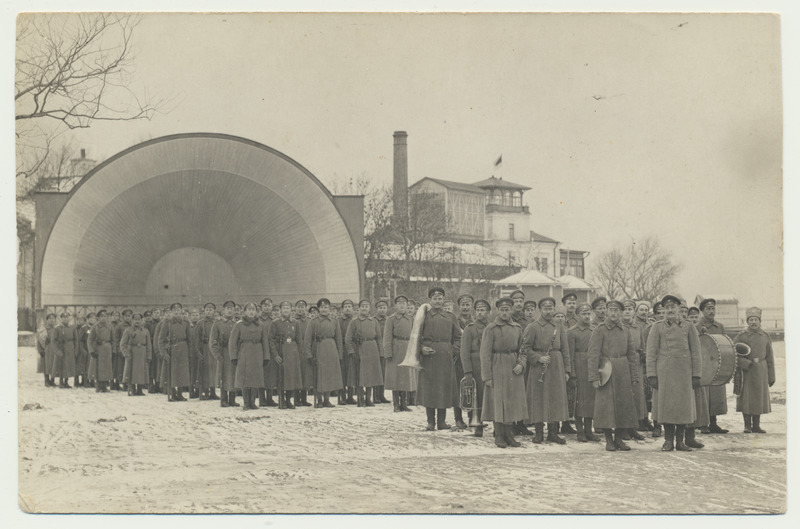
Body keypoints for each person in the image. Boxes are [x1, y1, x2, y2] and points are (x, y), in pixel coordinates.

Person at [646, 295, 702, 451]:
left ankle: (680, 441)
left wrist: (696, 374)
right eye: (667, 308)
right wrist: (651, 375)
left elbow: (696, 353)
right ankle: (668, 440)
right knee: (667, 407)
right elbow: (651, 353)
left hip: (685, 372)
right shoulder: (657, 327)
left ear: (679, 308)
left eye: (673, 307)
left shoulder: (689, 327)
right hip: (664, 373)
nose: (670, 310)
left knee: (683, 408)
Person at [588, 300, 640, 451]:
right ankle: (608, 440)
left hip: (623, 370)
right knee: (606, 407)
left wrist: (634, 375)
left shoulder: (626, 330)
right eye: (610, 310)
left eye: (616, 310)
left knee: (623, 406)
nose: (613, 313)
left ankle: (619, 439)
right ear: (606, 312)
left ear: (621, 313)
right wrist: (594, 377)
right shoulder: (600, 330)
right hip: (606, 370)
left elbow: (631, 354)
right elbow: (593, 354)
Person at [520, 296, 572, 444]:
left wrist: (567, 370)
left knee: (555, 398)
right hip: (539, 367)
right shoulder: (533, 327)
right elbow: (524, 349)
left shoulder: (559, 326)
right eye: (545, 309)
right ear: (540, 310)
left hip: (556, 365)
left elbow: (565, 350)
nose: (548, 312)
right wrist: (537, 358)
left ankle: (553, 433)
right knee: (539, 398)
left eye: (550, 308)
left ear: (554, 309)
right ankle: (538, 433)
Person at [480, 297, 528, 448]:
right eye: (502, 310)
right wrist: (487, 376)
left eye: (507, 310)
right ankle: (499, 435)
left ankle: (509, 435)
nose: (505, 313)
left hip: (513, 368)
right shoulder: (491, 328)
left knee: (512, 401)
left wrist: (521, 363)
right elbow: (485, 354)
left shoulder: (517, 328)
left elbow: (523, 350)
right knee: (498, 401)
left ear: (512, 310)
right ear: (498, 311)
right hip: (497, 366)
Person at [417, 287, 461, 431]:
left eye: (440, 298)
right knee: (430, 388)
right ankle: (431, 422)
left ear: (443, 300)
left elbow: (458, 337)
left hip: (445, 356)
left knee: (443, 388)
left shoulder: (450, 317)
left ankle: (441, 422)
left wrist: (453, 350)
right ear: (430, 300)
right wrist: (422, 348)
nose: (437, 301)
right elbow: (415, 337)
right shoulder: (424, 316)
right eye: (434, 298)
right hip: (429, 356)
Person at [733, 307, 776, 434]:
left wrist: (771, 376)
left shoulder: (765, 336)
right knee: (746, 397)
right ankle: (747, 425)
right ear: (747, 321)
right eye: (751, 319)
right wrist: (744, 363)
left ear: (759, 321)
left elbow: (770, 357)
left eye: (756, 319)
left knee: (758, 397)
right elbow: (733, 352)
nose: (753, 322)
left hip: (761, 371)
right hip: (747, 371)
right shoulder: (741, 336)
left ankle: (756, 425)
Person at [695, 298, 729, 434]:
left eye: (713, 308)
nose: (711, 311)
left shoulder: (719, 326)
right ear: (702, 311)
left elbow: (726, 343)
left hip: (716, 363)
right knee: (704, 394)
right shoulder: (697, 326)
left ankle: (713, 423)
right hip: (704, 364)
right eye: (708, 309)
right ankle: (703, 424)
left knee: (715, 394)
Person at [568, 304, 601, 442]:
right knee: (579, 401)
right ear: (577, 315)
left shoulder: (595, 330)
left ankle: (589, 430)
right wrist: (572, 374)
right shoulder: (572, 332)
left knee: (591, 400)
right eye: (583, 314)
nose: (587, 316)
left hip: (592, 367)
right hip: (579, 366)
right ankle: (580, 431)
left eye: (588, 313)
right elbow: (569, 355)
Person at [228, 302, 270, 410]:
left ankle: (252, 402)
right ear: (245, 312)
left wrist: (266, 357)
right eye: (249, 310)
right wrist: (233, 357)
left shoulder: (260, 325)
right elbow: (232, 342)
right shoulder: (239, 324)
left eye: (253, 309)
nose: (251, 312)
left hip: (257, 353)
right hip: (244, 353)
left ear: (256, 312)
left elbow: (265, 342)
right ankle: (246, 402)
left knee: (256, 378)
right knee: (245, 379)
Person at [304, 298, 344, 408]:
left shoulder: (334, 321)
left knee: (329, 375)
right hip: (318, 348)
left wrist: (339, 354)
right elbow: (307, 340)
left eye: (326, 307)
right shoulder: (313, 321)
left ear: (329, 308)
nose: (324, 309)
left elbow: (339, 339)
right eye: (321, 307)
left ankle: (327, 399)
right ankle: (319, 399)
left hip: (331, 349)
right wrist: (309, 355)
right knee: (319, 375)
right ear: (319, 309)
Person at [460, 298, 491, 437]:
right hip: (475, 365)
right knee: (475, 395)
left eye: (482, 310)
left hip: (489, 365)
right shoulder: (469, 329)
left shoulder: (492, 327)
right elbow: (464, 352)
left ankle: (496, 425)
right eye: (477, 310)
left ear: (488, 312)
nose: (480, 313)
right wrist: (468, 371)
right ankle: (477, 426)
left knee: (490, 395)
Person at [345, 299, 384, 407]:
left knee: (371, 374)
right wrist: (352, 352)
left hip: (372, 349)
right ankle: (360, 398)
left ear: (369, 308)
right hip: (359, 349)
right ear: (359, 308)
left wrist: (381, 352)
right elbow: (348, 339)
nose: (364, 308)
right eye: (362, 306)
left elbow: (379, 338)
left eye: (366, 306)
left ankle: (368, 398)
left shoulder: (374, 321)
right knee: (360, 375)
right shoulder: (354, 321)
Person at [269, 301, 305, 409]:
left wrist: (299, 353)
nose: (286, 310)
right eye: (283, 308)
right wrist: (275, 354)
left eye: (288, 308)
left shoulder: (295, 323)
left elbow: (299, 340)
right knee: (282, 377)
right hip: (281, 351)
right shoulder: (275, 323)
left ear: (291, 310)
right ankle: (282, 399)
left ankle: (289, 399)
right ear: (280, 310)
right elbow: (270, 340)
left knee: (291, 377)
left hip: (293, 352)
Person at [620, 299, 647, 441]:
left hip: (636, 363)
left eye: (630, 309)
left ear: (634, 312)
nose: (627, 311)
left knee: (637, 395)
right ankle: (623, 428)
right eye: (624, 309)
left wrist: (643, 354)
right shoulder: (619, 327)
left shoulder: (638, 328)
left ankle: (633, 428)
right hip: (623, 363)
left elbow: (642, 344)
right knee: (625, 396)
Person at [383, 295, 415, 412]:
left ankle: (404, 404)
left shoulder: (410, 318)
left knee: (405, 376)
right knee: (395, 377)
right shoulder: (391, 319)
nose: (402, 305)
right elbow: (387, 337)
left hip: (407, 348)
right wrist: (388, 352)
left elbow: (414, 335)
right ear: (395, 305)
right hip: (396, 348)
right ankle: (396, 404)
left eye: (404, 303)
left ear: (407, 305)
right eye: (399, 303)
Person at [158, 302, 192, 402]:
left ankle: (180, 394)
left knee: (182, 372)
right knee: (172, 373)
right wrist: (164, 353)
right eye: (174, 310)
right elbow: (161, 340)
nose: (176, 312)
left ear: (181, 311)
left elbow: (189, 339)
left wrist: (189, 352)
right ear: (171, 312)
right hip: (172, 350)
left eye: (178, 310)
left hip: (183, 349)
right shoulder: (167, 324)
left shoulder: (186, 323)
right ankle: (172, 393)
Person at [210, 301, 239, 407]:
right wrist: (217, 355)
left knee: (233, 375)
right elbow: (212, 341)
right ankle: (223, 399)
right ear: (223, 310)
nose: (230, 310)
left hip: (235, 353)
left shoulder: (238, 323)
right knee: (224, 376)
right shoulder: (218, 323)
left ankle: (232, 399)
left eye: (232, 308)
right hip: (224, 352)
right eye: (228, 308)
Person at [634, 301, 656, 433]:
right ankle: (639, 420)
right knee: (639, 391)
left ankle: (646, 418)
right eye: (641, 310)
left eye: (646, 310)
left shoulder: (651, 324)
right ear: (636, 311)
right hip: (639, 360)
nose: (643, 312)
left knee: (649, 393)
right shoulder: (634, 325)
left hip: (649, 360)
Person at [120, 313, 152, 396]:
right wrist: (126, 354)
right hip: (132, 354)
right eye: (135, 319)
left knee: (141, 372)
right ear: (132, 320)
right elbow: (123, 344)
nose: (137, 321)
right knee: (131, 371)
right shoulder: (128, 330)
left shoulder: (145, 331)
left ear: (142, 321)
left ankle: (140, 389)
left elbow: (149, 344)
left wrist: (149, 354)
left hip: (142, 353)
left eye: (139, 319)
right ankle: (132, 388)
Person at [196, 303, 219, 401]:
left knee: (214, 370)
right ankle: (204, 392)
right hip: (205, 348)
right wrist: (199, 352)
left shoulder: (217, 322)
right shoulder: (200, 323)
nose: (209, 312)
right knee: (205, 371)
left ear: (214, 311)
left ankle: (213, 392)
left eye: (211, 310)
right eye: (207, 310)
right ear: (204, 311)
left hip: (213, 349)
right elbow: (196, 340)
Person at [88, 310, 114, 393]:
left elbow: (113, 340)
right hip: (98, 349)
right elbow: (90, 340)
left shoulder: (110, 327)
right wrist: (91, 350)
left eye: (105, 316)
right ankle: (98, 386)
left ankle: (104, 386)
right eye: (101, 316)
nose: (103, 318)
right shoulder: (95, 327)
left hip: (107, 349)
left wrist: (113, 350)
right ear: (98, 318)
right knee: (98, 368)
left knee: (106, 368)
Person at [259, 298, 278, 407]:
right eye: (265, 305)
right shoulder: (257, 319)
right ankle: (262, 399)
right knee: (261, 374)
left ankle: (270, 398)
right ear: (261, 307)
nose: (267, 307)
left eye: (269, 305)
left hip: (271, 350)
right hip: (260, 350)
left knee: (270, 374)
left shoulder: (274, 320)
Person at [294, 300, 313, 407]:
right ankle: (297, 399)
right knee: (298, 374)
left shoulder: (309, 321)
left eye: (303, 307)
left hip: (306, 349)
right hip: (295, 349)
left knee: (305, 374)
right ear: (295, 308)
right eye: (299, 307)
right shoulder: (292, 320)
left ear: (306, 308)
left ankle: (304, 398)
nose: (301, 309)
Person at [338, 300, 357, 405]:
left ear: (353, 309)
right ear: (342, 309)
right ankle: (342, 397)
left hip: (353, 349)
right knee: (342, 373)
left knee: (351, 373)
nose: (347, 308)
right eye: (345, 306)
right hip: (343, 348)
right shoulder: (339, 321)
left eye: (349, 306)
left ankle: (350, 396)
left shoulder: (356, 320)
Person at [373, 299, 391, 404]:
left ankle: (381, 395)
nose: (382, 310)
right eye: (380, 308)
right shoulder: (373, 320)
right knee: (376, 372)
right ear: (376, 309)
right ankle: (375, 396)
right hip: (375, 348)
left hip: (385, 349)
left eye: (384, 308)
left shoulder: (389, 320)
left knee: (384, 372)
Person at [54, 312, 77, 388]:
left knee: (68, 366)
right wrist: (57, 350)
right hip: (61, 348)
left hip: (70, 348)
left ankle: (66, 382)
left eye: (67, 317)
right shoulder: (57, 328)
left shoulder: (72, 328)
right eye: (64, 317)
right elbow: (54, 341)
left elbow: (76, 339)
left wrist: (75, 349)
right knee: (61, 365)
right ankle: (61, 382)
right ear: (61, 318)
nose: (65, 318)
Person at [112, 310, 132, 391]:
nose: (128, 317)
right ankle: (118, 383)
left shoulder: (132, 326)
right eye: (126, 316)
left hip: (129, 349)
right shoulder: (119, 326)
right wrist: (118, 349)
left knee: (127, 367)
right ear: (123, 317)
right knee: (119, 368)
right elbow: (116, 339)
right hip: (121, 349)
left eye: (129, 316)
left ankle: (127, 383)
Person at [187, 308, 202, 398]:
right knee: (192, 372)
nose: (195, 317)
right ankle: (191, 390)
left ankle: (198, 390)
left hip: (199, 352)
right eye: (193, 315)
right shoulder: (189, 327)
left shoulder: (200, 326)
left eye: (197, 315)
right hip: (191, 352)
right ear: (190, 317)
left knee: (198, 372)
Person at [41, 313, 57, 387]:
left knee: (54, 364)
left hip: (54, 349)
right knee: (47, 365)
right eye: (50, 318)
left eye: (53, 318)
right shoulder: (44, 330)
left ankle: (52, 380)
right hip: (47, 349)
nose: (51, 320)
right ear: (47, 320)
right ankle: (47, 380)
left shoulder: (56, 329)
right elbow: (39, 340)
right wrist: (41, 350)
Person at [75, 315, 90, 387]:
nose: (79, 321)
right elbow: (78, 340)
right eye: (78, 320)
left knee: (85, 365)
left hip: (84, 348)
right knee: (78, 366)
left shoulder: (86, 328)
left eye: (81, 320)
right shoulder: (75, 328)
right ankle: (76, 381)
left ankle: (84, 381)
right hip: (78, 349)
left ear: (84, 321)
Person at [83, 313, 97, 388]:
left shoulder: (96, 327)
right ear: (88, 319)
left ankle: (92, 380)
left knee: (92, 366)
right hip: (86, 349)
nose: (92, 320)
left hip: (93, 348)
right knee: (86, 366)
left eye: (94, 318)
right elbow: (81, 340)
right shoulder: (85, 328)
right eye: (91, 318)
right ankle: (86, 381)